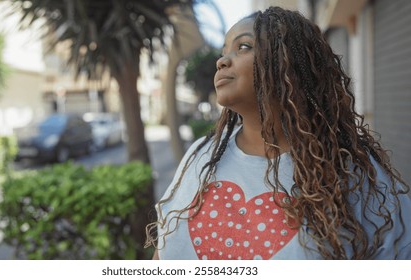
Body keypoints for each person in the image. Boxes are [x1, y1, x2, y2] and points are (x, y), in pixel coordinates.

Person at [145, 6, 411, 260]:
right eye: (224, 51)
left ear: (288, 65)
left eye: (244, 47)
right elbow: (162, 253)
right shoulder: (200, 156)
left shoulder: (352, 173)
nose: (222, 61)